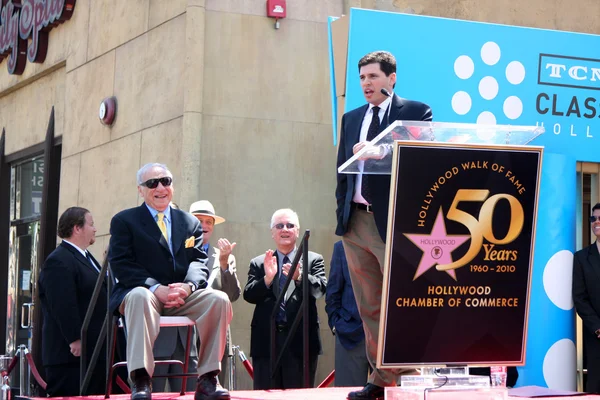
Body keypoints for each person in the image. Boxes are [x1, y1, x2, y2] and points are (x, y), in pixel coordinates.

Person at [335, 50, 433, 399]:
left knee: (401, 301)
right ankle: (381, 379)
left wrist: (385, 152)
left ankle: (408, 375)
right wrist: (341, 218)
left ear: (392, 78)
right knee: (370, 305)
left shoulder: (415, 112)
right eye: (362, 78)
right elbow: (341, 173)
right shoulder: (351, 118)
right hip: (355, 222)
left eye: (373, 77)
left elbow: (425, 155)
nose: (366, 84)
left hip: (393, 221)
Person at [108, 163, 232, 400]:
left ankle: (207, 378)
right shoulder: (125, 221)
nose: (160, 187)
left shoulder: (189, 223)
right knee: (139, 295)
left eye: (166, 181)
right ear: (140, 189)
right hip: (144, 293)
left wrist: (188, 286)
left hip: (182, 294)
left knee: (219, 299)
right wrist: (156, 287)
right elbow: (122, 264)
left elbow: (198, 261)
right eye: (152, 183)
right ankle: (141, 379)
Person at [153, 200, 241, 392]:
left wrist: (224, 264)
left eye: (209, 222)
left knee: (203, 392)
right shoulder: (177, 252)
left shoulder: (225, 257)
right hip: (179, 335)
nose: (204, 225)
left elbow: (232, 295)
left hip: (210, 338)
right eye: (199, 220)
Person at [243, 209, 327, 389]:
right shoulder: (259, 262)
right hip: (266, 343)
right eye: (279, 226)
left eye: (290, 225)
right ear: (272, 233)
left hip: (301, 343)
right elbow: (249, 295)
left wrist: (300, 277)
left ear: (297, 231)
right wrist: (267, 279)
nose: (285, 229)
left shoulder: (313, 260)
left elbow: (319, 290)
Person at [38, 207, 106, 396]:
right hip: (70, 358)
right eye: (91, 224)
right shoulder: (59, 260)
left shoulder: (86, 256)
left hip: (93, 354)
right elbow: (62, 303)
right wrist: (75, 338)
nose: (95, 229)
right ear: (77, 228)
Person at [325, 240, 369, 387]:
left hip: (387, 337)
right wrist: (336, 324)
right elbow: (333, 291)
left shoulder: (392, 243)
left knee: (393, 395)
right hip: (350, 333)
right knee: (348, 393)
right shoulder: (341, 247)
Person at [573, 202, 600, 394]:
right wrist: (598, 328)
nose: (596, 222)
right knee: (596, 388)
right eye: (593, 218)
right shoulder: (581, 257)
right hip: (596, 337)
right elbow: (579, 297)